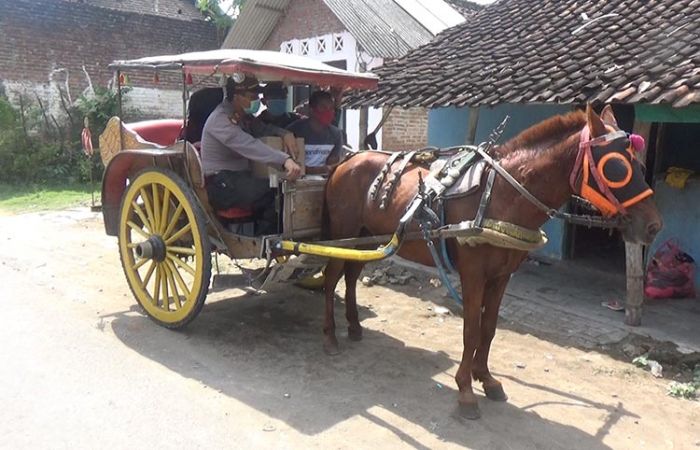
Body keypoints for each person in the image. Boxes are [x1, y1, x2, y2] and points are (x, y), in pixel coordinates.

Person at [201, 74, 302, 233]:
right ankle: (265, 240)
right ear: (237, 97)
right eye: (252, 96)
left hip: (239, 178)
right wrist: (285, 160)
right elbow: (250, 145)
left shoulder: (241, 116)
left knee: (278, 185)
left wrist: (284, 133)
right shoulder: (220, 120)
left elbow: (262, 129)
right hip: (221, 183)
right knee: (274, 189)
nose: (256, 100)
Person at [286, 90, 344, 175]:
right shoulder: (294, 130)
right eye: (323, 107)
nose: (328, 111)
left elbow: (333, 163)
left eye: (331, 108)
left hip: (326, 183)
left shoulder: (336, 134)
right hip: (298, 181)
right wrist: (314, 170)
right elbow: (287, 162)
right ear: (312, 110)